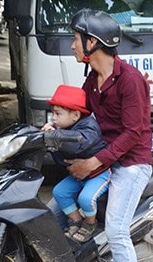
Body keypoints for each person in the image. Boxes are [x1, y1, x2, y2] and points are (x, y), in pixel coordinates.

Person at [65, 9, 153, 262]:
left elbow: (133, 133)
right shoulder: (91, 80)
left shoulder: (129, 80)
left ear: (93, 42)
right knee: (59, 207)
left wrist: (94, 162)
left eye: (76, 39)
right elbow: (80, 117)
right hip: (104, 159)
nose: (72, 45)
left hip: (132, 163)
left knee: (117, 231)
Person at [42, 84, 110, 243]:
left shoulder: (89, 127)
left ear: (75, 115)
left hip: (99, 173)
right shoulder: (63, 127)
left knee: (86, 199)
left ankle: (90, 224)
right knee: (59, 192)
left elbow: (79, 143)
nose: (54, 118)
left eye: (58, 113)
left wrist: (55, 136)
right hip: (79, 174)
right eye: (53, 113)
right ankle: (76, 220)